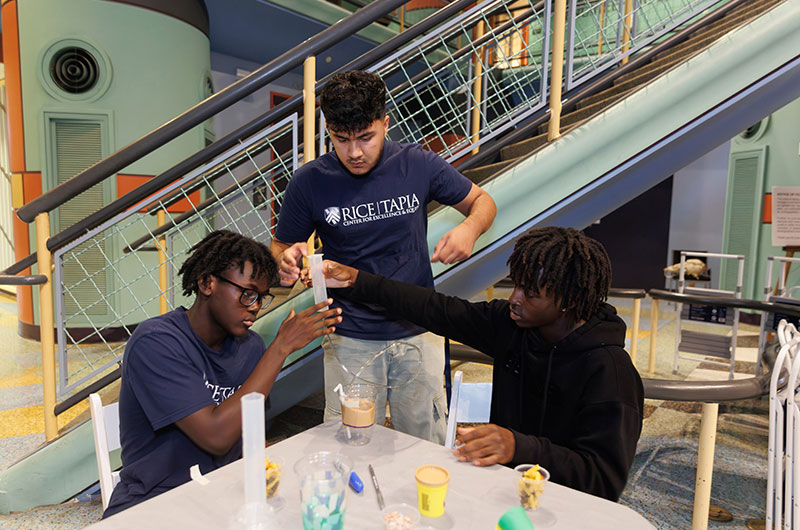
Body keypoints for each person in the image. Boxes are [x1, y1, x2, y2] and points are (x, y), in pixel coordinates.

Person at [314, 227, 644, 501]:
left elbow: (604, 480)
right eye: (515, 284)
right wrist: (358, 280)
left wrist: (520, 447)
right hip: (502, 489)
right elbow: (435, 308)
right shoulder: (512, 326)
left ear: (568, 301)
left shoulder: (610, 372)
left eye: (530, 293)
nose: (515, 298)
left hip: (568, 508)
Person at [271, 70, 496, 444]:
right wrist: (287, 256)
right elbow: (280, 246)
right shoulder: (310, 181)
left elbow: (482, 201)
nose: (355, 152)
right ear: (328, 130)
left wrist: (469, 229)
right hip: (349, 336)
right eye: (341, 140)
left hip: (418, 329)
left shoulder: (417, 164)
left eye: (366, 137)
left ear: (385, 123)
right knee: (349, 446)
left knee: (428, 444)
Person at [102, 230, 341, 518]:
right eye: (247, 293)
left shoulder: (250, 346)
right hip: (155, 502)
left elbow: (247, 436)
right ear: (206, 283)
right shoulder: (156, 342)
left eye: (261, 297)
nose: (254, 307)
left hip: (222, 494)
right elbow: (215, 437)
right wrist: (280, 348)